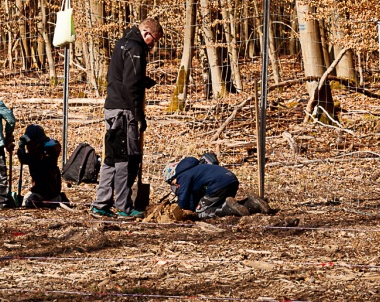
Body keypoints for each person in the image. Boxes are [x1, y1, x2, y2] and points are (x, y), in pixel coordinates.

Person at [91, 17, 163, 220]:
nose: (153, 45)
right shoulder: (135, 48)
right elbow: (131, 85)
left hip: (112, 108)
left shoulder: (122, 43)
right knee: (125, 159)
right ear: (146, 33)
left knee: (111, 159)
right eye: (153, 40)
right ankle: (123, 206)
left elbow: (121, 76)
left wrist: (143, 80)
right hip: (124, 111)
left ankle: (101, 203)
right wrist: (139, 116)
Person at [163, 153, 271, 219]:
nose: (174, 185)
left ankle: (228, 208)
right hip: (231, 180)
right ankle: (252, 203)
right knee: (218, 203)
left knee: (201, 212)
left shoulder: (183, 175)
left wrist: (182, 210)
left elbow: (183, 196)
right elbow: (193, 197)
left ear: (173, 175)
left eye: (171, 182)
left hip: (217, 184)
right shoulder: (197, 168)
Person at [17, 124, 69, 208]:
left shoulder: (49, 149)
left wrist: (30, 143)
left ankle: (58, 199)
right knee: (27, 201)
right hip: (38, 190)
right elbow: (24, 159)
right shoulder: (35, 151)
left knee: (33, 202)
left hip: (50, 189)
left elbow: (37, 157)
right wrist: (21, 149)